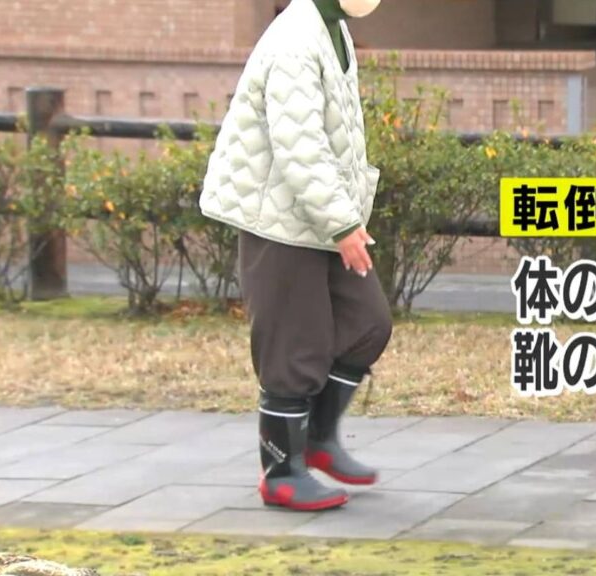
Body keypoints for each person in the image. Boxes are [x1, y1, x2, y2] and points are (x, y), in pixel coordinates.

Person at [199, 0, 390, 511]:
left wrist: (344, 216)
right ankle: (281, 472)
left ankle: (319, 439)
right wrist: (342, 223)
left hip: (321, 216)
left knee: (367, 323)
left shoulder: (333, 30)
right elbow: (299, 145)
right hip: (279, 219)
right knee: (293, 346)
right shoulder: (294, 41)